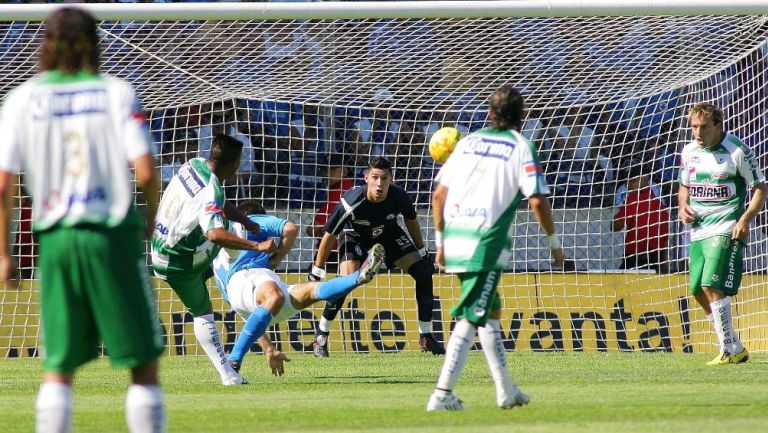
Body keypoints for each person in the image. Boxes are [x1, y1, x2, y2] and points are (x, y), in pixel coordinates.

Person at [0, 8, 166, 432]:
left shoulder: (21, 99)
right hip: (111, 236)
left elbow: (4, 187)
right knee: (142, 364)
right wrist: (149, 217)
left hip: (55, 241)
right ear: (96, 43)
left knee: (59, 364)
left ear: (46, 44)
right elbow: (146, 172)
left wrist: (5, 253)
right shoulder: (116, 93)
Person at [426, 85, 565, 412]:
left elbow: (438, 196)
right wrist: (554, 245)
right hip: (484, 241)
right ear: (523, 116)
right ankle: (442, 393)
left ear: (489, 113)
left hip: (456, 236)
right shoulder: (522, 146)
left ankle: (506, 390)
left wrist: (440, 244)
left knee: (489, 312)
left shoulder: (467, 142)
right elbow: (537, 199)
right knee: (471, 316)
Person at [151, 133, 276, 385]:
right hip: (177, 260)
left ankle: (233, 278)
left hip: (161, 243)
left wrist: (245, 220)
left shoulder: (193, 164)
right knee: (203, 312)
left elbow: (218, 203)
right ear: (235, 163)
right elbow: (214, 233)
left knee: (230, 238)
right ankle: (228, 374)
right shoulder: (212, 190)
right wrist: (257, 244)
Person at [212, 200, 385, 375]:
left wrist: (269, 349)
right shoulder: (253, 221)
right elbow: (290, 228)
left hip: (243, 297)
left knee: (311, 291)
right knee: (282, 295)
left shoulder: (215, 257)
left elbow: (249, 316)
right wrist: (277, 257)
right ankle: (233, 361)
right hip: (248, 274)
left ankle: (359, 276)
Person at [309, 157, 445, 357]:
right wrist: (317, 269)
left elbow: (411, 221)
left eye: (384, 178)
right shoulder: (351, 200)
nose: (380, 184)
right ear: (366, 178)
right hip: (354, 236)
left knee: (424, 272)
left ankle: (426, 336)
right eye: (375, 177)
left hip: (388, 235)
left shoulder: (399, 196)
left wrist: (422, 251)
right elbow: (329, 235)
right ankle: (321, 335)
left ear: (391, 179)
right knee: (345, 283)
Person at [678, 102, 766, 365]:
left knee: (711, 284)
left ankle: (729, 349)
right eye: (694, 127)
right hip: (699, 229)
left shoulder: (737, 150)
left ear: (718, 125)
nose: (697, 133)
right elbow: (684, 186)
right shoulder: (689, 151)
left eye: (703, 127)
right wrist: (683, 206)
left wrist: (745, 219)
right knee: (696, 290)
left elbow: (760, 188)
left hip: (727, 226)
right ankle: (733, 346)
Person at [612, 166, 671, 273]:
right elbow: (665, 240)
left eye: (630, 181)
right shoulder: (659, 205)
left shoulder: (633, 201)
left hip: (635, 257)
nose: (627, 185)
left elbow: (615, 226)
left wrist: (620, 212)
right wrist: (664, 261)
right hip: (655, 258)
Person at [306, 153, 355, 273]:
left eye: (331, 170)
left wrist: (320, 230)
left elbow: (313, 229)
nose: (326, 174)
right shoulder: (351, 189)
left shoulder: (339, 192)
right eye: (324, 170)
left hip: (332, 253)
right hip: (348, 250)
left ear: (343, 171)